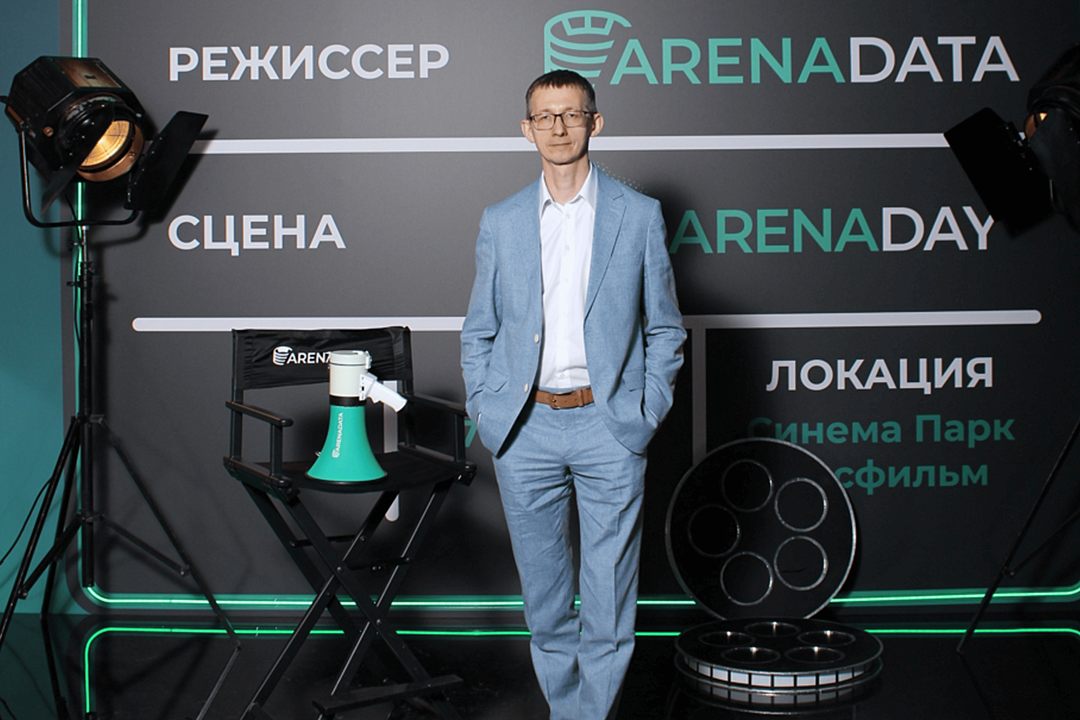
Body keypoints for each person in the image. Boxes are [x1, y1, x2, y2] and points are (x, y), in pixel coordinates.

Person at [460, 69, 685, 720]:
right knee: (545, 598)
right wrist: (486, 406)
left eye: (572, 114)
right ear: (526, 130)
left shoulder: (639, 215)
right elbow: (478, 330)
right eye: (545, 116)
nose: (558, 127)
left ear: (595, 122)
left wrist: (646, 410)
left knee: (610, 597)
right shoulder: (501, 221)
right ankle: (567, 711)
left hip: (608, 425)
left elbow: (665, 327)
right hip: (524, 428)